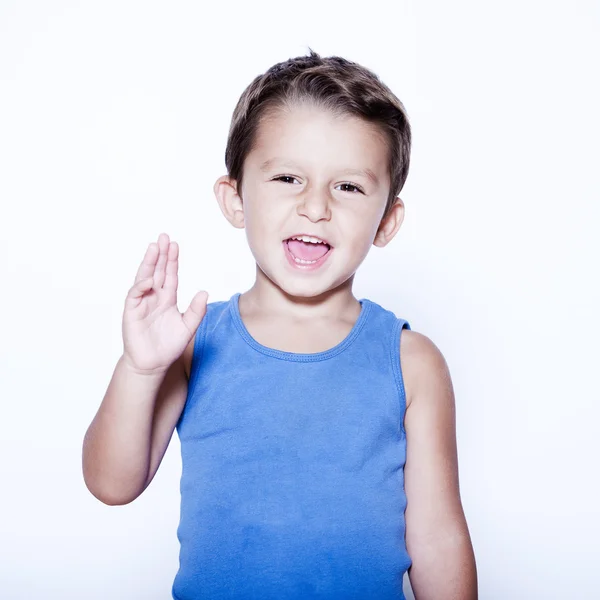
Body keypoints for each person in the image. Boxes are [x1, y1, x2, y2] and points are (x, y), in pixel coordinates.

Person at [82, 50, 477, 599]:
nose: (315, 207)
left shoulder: (412, 362)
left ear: (386, 220)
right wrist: (140, 370)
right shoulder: (195, 343)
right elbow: (110, 484)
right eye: (288, 177)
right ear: (235, 198)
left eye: (349, 187)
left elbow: (437, 536)